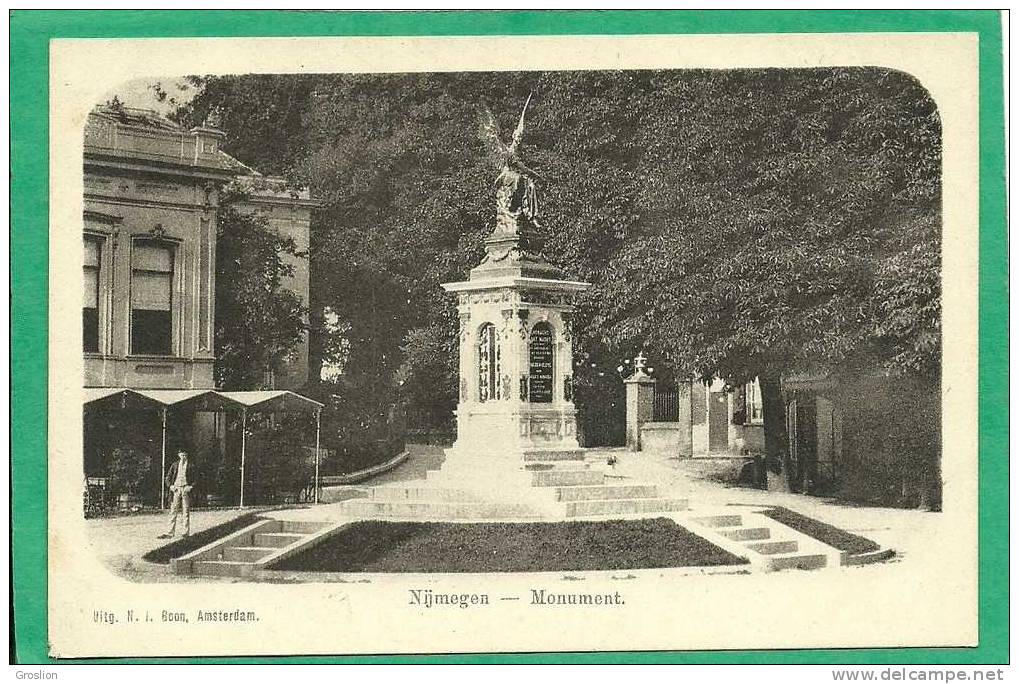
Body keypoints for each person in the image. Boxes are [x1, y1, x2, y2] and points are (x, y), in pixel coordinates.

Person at [158, 449, 195, 539]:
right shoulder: (174, 465)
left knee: (185, 511)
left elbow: (196, 479)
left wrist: (190, 487)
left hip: (185, 489)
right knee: (173, 510)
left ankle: (185, 533)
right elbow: (168, 477)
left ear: (187, 455)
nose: (183, 457)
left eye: (185, 455)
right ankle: (170, 532)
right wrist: (170, 486)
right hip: (176, 489)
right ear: (179, 455)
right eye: (182, 455)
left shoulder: (191, 465)